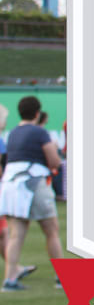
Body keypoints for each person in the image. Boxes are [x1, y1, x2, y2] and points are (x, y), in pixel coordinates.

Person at [2, 96, 65, 291]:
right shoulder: (40, 132)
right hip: (34, 181)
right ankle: (61, 277)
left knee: (16, 234)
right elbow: (54, 161)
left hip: (11, 185)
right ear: (37, 114)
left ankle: (10, 278)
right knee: (51, 230)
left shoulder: (12, 134)